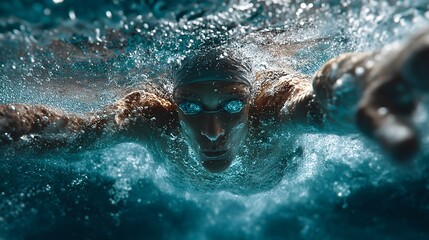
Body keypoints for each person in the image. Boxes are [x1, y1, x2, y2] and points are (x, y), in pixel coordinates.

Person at [1, 29, 428, 173]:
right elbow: (73, 133)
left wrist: (363, 79)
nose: (212, 132)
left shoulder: (270, 108)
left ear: (251, 99)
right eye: (189, 107)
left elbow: (317, 107)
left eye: (231, 107)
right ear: (171, 103)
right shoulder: (152, 117)